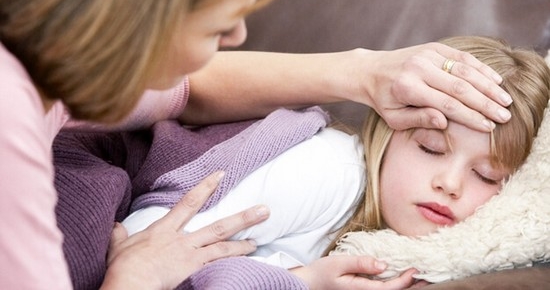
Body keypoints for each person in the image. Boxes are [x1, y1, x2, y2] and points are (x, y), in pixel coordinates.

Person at [0, 0, 514, 288]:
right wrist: (132, 279)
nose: (242, 35)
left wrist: (365, 72)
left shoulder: (59, 84)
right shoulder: (11, 117)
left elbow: (187, 92)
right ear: (142, 12)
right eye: (221, 24)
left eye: (489, 177)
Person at [121, 36, 550, 289]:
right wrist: (301, 281)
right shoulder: (329, 170)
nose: (450, 183)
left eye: (487, 176)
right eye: (430, 148)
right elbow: (146, 247)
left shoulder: (411, 247)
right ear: (388, 131)